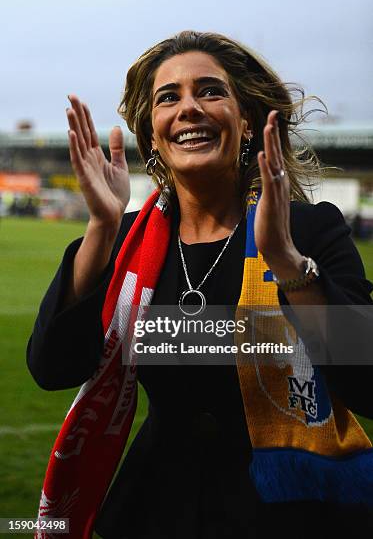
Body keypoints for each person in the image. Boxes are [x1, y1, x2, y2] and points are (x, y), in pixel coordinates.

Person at [27, 31, 373, 539]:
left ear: (247, 120)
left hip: (292, 513)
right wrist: (100, 229)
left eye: (210, 91)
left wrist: (286, 262)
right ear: (154, 134)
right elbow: (52, 367)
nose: (188, 108)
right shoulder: (121, 241)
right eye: (169, 98)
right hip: (154, 508)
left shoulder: (311, 229)